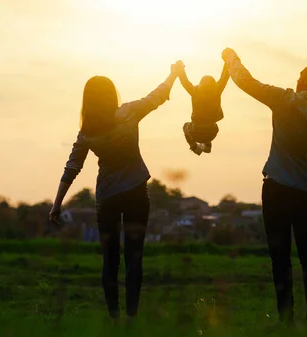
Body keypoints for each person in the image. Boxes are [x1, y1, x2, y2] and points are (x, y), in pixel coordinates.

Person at [221, 48, 307, 332]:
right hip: (306, 195)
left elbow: (245, 81)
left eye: (300, 74)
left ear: (304, 80)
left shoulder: (282, 99)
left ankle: (285, 319)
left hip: (276, 191)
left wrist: (231, 59)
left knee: (280, 257)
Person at [49, 61, 184, 323]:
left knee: (109, 259)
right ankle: (131, 316)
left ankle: (113, 317)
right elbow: (157, 97)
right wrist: (174, 74)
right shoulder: (129, 113)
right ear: (113, 95)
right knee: (135, 256)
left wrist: (57, 203)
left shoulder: (87, 132)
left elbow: (72, 168)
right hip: (136, 193)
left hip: (108, 197)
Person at [177, 60, 229, 155]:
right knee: (209, 123)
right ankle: (207, 145)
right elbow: (224, 77)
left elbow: (184, 81)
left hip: (196, 133)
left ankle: (194, 146)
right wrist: (227, 61)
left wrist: (180, 69)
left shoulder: (195, 92)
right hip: (212, 133)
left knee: (186, 125)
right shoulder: (217, 90)